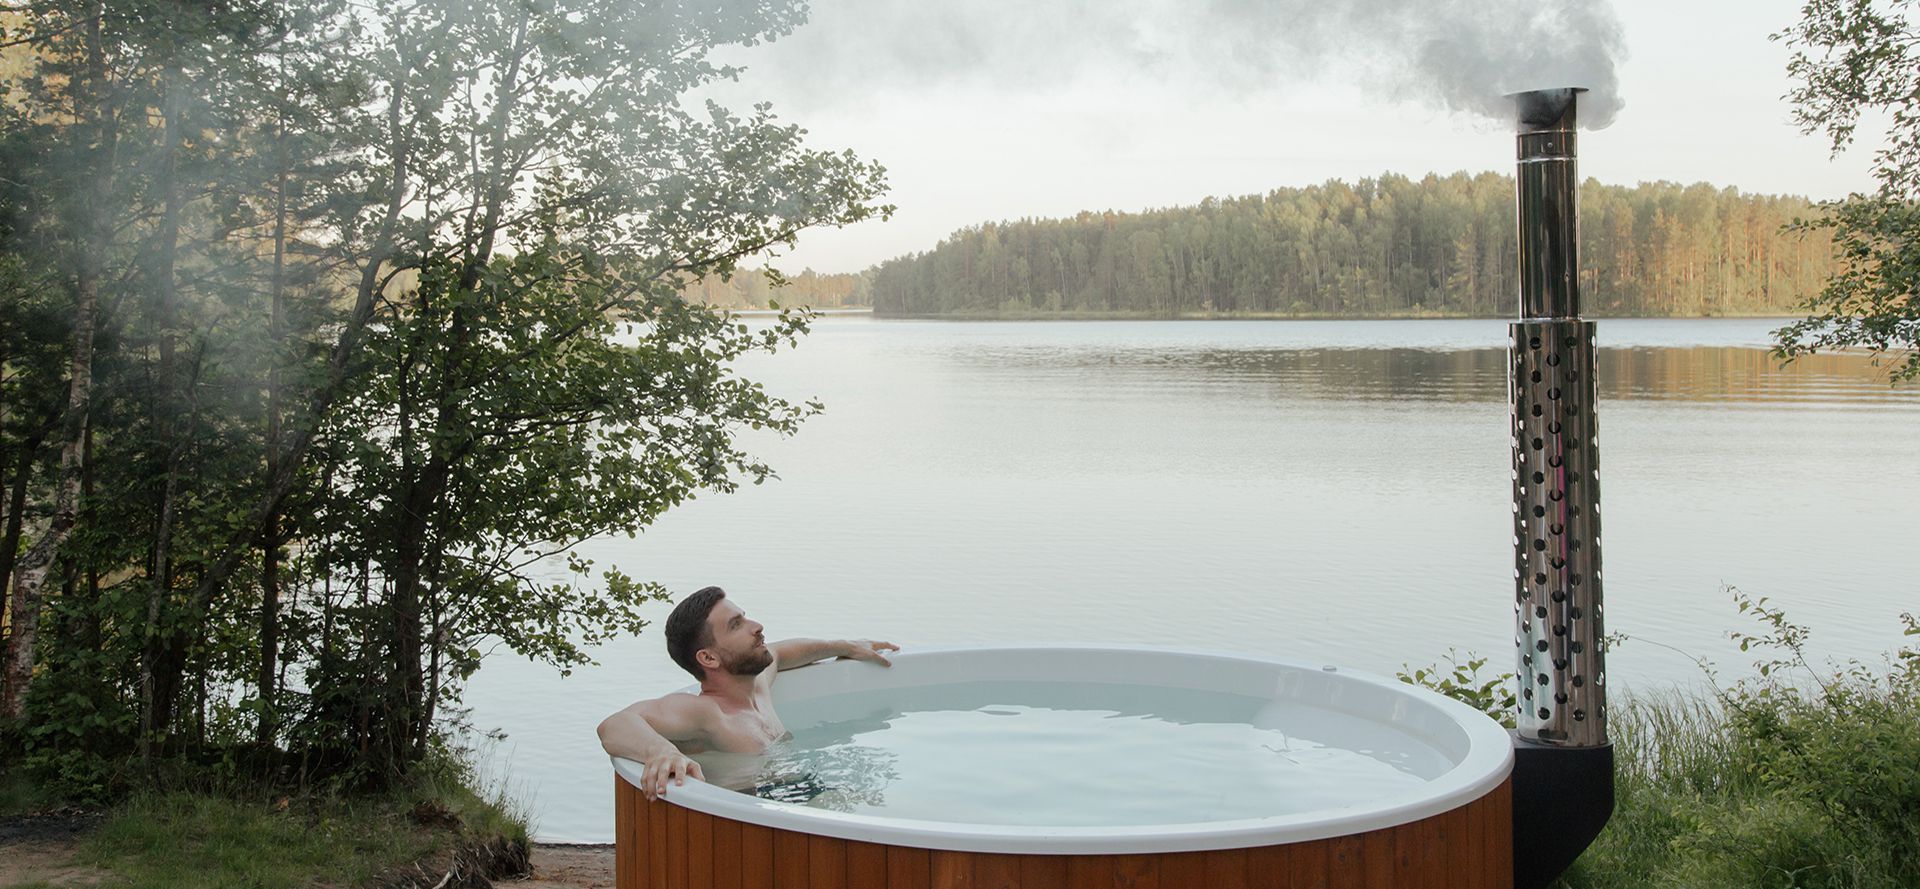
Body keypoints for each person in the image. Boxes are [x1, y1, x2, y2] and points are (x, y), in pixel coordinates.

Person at [596, 586, 898, 800]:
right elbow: (615, 724)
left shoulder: (758, 688)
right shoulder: (709, 713)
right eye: (736, 625)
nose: (757, 626)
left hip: (797, 796)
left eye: (745, 616)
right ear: (708, 659)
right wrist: (661, 752)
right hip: (746, 823)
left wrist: (845, 646)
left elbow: (781, 652)